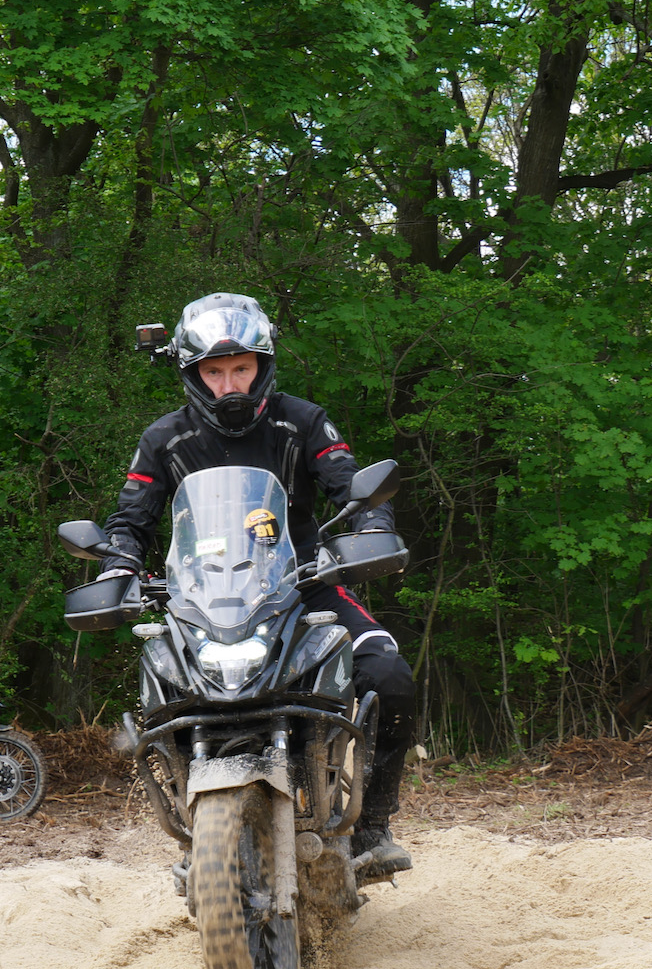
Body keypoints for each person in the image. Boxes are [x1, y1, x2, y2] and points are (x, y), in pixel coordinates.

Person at [99, 291, 415, 877]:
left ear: (262, 366)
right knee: (162, 694)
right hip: (201, 601)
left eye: (241, 369)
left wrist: (371, 526)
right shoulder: (164, 438)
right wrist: (118, 565)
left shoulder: (303, 421)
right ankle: (197, 827)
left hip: (305, 584)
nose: (230, 385)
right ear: (192, 374)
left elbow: (351, 486)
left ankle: (373, 825)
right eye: (214, 372)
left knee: (389, 674)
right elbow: (131, 521)